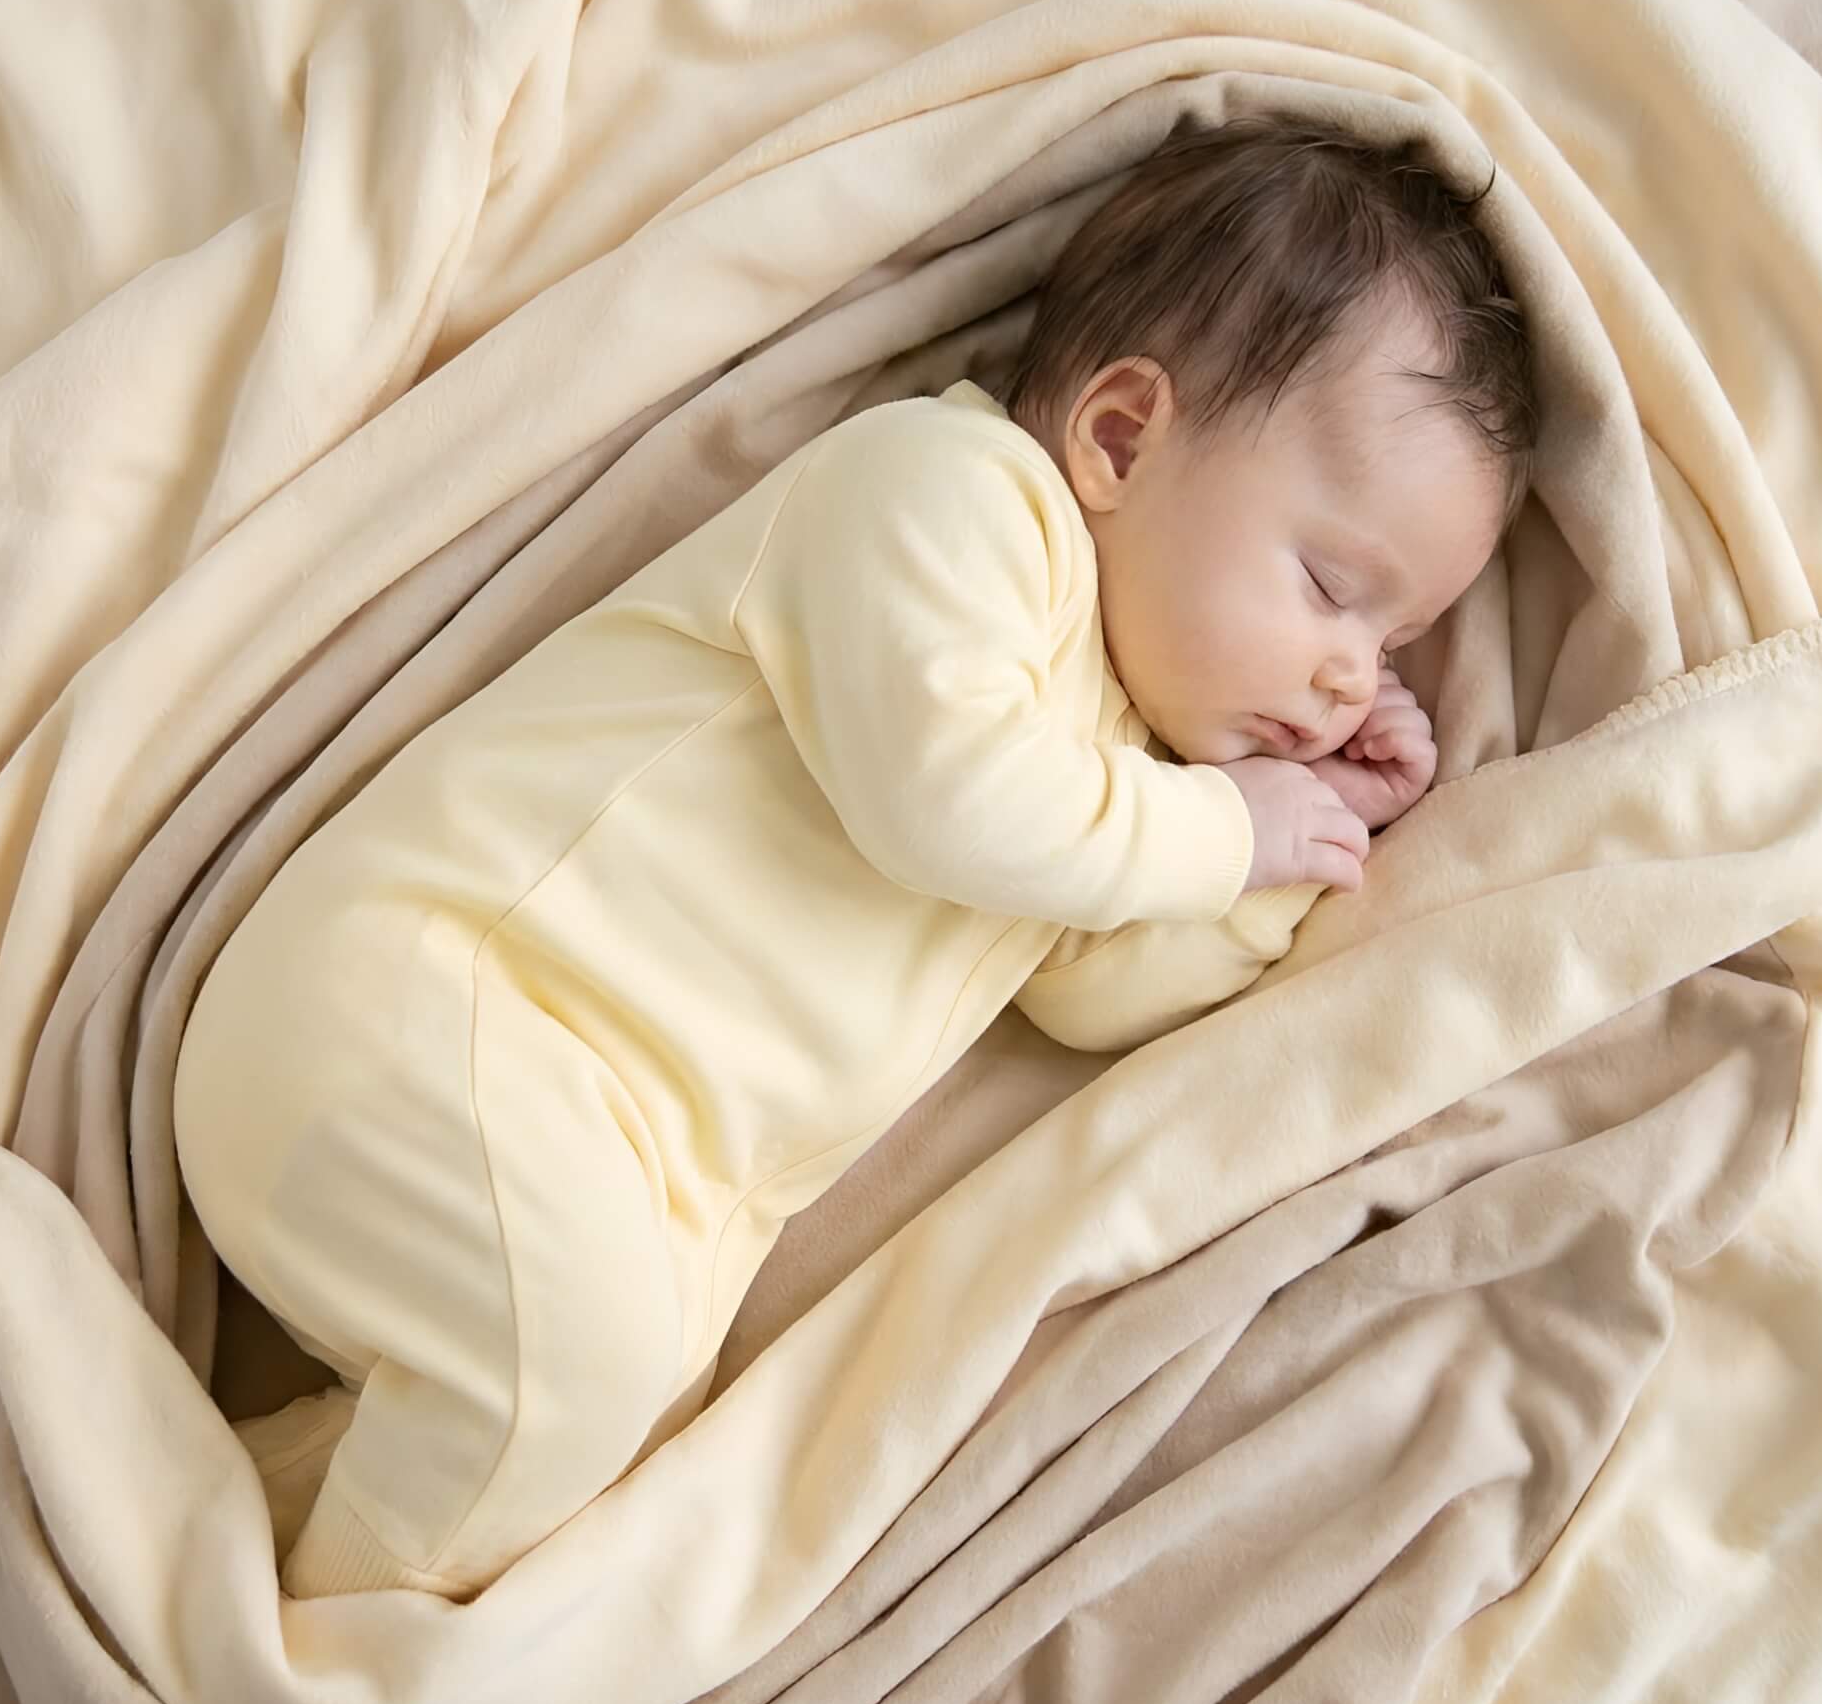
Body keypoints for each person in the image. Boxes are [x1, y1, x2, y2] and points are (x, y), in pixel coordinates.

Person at [174, 109, 1539, 1599]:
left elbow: (1089, 988)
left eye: (1393, 640)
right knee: (575, 1373)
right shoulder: (951, 503)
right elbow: (946, 799)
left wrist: (1286, 862)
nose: (1354, 671)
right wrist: (1224, 829)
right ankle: (298, 1662)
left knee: (596, 1429)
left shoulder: (1115, 770)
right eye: (1333, 587)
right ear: (1121, 437)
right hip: (437, 1018)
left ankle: (225, 1529)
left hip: (598, 1165)